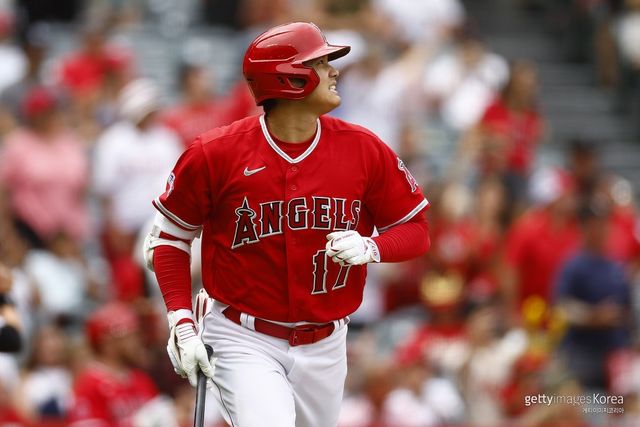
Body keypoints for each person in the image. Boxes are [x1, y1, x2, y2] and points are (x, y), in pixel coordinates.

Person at [144, 22, 431, 427]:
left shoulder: (363, 148)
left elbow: (417, 230)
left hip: (327, 342)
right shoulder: (216, 152)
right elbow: (169, 239)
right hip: (242, 335)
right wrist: (181, 320)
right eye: (321, 63)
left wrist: (372, 247)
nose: (334, 71)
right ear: (289, 78)